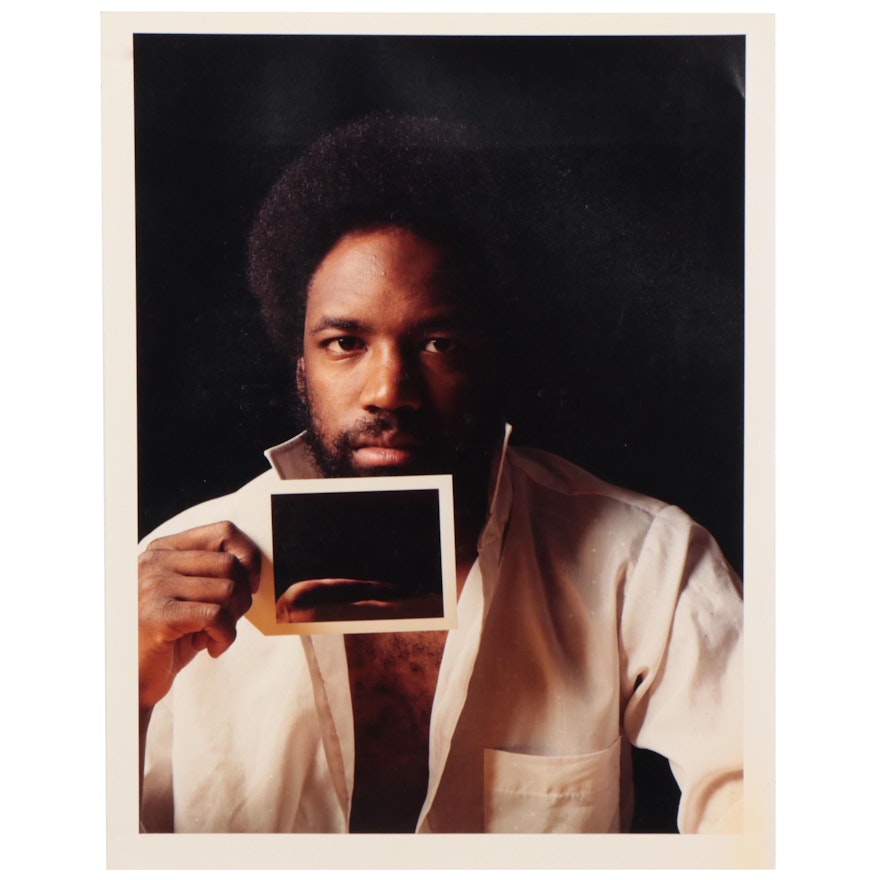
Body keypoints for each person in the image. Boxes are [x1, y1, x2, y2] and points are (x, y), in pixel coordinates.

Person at [138, 115, 743, 834]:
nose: (389, 389)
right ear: (301, 364)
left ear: (491, 356)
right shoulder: (167, 568)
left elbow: (770, 801)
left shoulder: (644, 560)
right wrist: (116, 686)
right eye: (345, 343)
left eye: (437, 341)